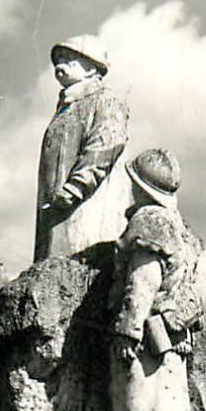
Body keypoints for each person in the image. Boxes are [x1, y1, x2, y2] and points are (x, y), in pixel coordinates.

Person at [108, 148, 204, 411]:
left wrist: (127, 329)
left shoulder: (149, 222)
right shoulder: (181, 229)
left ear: (140, 187)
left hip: (147, 338)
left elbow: (143, 281)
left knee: (142, 410)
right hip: (173, 338)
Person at [34, 35, 130, 262]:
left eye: (69, 59)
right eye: (58, 60)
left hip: (84, 211)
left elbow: (105, 146)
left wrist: (75, 188)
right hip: (55, 213)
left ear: (91, 68)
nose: (60, 65)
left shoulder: (105, 101)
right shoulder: (66, 108)